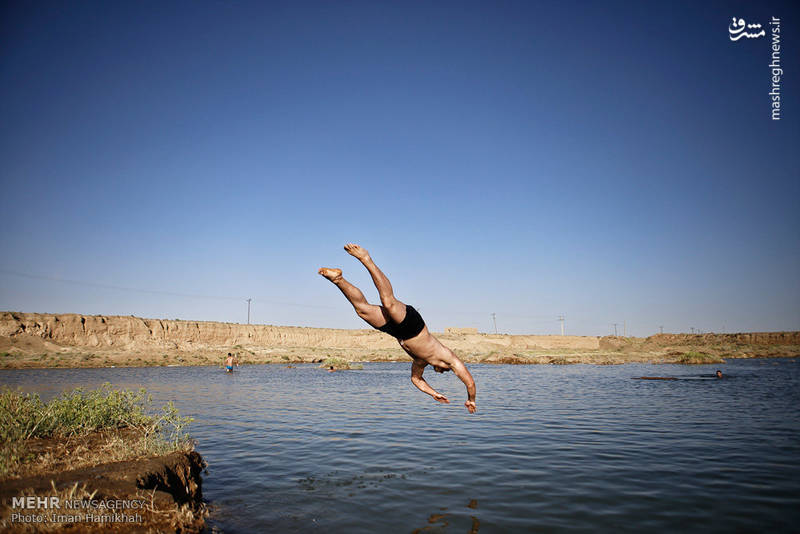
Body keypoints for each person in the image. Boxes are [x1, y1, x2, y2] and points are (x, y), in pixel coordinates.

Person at [319, 243, 477, 413]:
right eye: (444, 372)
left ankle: (337, 279)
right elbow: (470, 382)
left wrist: (433, 393)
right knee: (388, 301)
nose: (440, 373)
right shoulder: (450, 358)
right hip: (413, 325)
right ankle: (366, 258)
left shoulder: (420, 361)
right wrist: (471, 400)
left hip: (398, 332)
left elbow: (416, 380)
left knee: (362, 311)